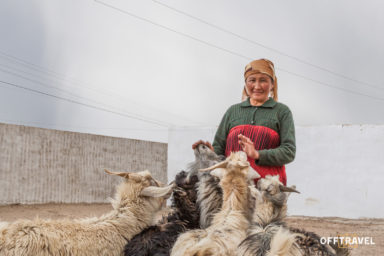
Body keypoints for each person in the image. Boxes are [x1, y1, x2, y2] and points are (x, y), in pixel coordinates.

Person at [193, 59, 295, 185]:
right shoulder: (233, 111)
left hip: (267, 190)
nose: (257, 86)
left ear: (272, 84)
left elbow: (289, 151)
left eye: (263, 80)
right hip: (231, 188)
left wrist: (257, 154)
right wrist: (206, 152)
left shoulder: (281, 112)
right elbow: (219, 149)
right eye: (252, 80)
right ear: (245, 83)